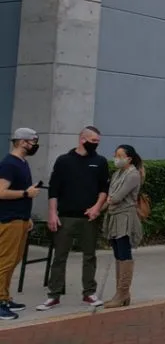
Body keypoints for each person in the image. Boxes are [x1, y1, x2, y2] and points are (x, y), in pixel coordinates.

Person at [37, 126, 109, 311]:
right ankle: (54, 295)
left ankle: (89, 293)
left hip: (89, 218)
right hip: (65, 217)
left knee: (89, 256)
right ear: (82, 139)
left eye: (98, 142)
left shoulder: (100, 162)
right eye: (93, 141)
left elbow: (104, 189)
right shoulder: (63, 161)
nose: (96, 145)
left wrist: (97, 207)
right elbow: (54, 189)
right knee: (60, 256)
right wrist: (52, 213)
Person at [0, 128, 41, 320]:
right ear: (22, 142)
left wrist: (27, 216)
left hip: (21, 219)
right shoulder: (9, 164)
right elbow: (1, 192)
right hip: (9, 220)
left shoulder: (22, 163)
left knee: (13, 260)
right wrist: (26, 194)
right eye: (33, 141)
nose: (34, 145)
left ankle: (5, 297)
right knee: (4, 262)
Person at [100, 145, 144, 308]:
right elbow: (111, 196)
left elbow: (117, 196)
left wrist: (109, 200)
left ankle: (123, 292)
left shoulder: (133, 175)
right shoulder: (118, 173)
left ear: (129, 159)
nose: (116, 158)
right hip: (114, 216)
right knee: (118, 254)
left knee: (124, 254)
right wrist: (99, 209)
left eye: (119, 155)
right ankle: (121, 294)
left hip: (125, 217)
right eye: (115, 155)